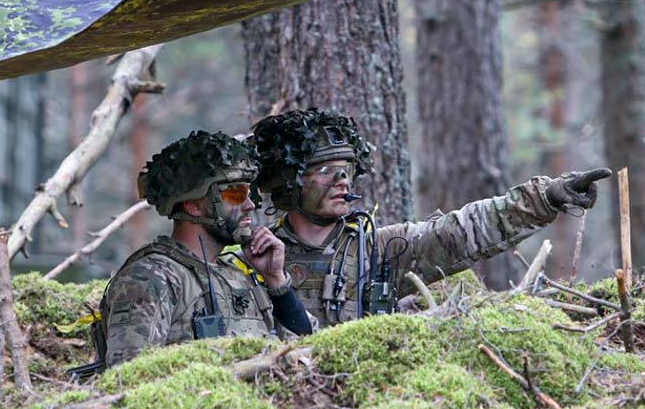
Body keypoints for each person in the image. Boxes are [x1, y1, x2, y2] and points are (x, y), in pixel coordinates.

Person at [250, 108, 612, 327]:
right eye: (326, 169)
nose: (341, 180)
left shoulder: (380, 248)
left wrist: (546, 196)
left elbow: (463, 231)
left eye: (346, 170)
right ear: (289, 183)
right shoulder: (255, 260)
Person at [99, 130, 312, 367]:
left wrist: (277, 282)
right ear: (193, 205)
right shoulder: (151, 278)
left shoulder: (239, 275)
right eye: (236, 193)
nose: (250, 205)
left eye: (249, 192)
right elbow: (129, 377)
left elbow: (308, 349)